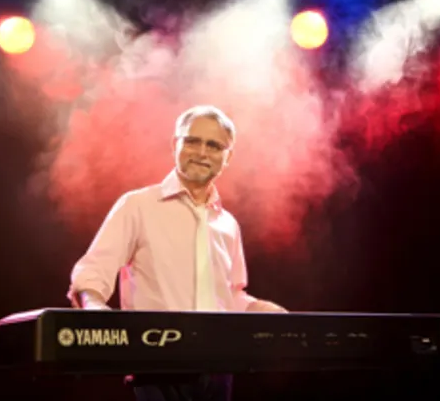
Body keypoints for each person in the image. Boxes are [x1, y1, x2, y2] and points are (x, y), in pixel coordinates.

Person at [67, 104, 287, 401]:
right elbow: (92, 273)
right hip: (156, 367)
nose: (202, 152)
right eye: (192, 141)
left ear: (228, 157)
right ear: (175, 145)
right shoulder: (138, 206)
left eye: (214, 145)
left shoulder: (228, 224)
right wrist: (95, 309)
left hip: (219, 369)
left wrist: (259, 308)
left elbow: (228, 297)